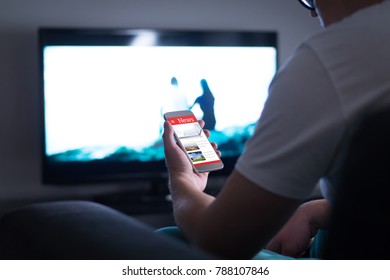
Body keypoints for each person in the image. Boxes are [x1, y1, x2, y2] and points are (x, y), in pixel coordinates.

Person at [162, 0, 390, 259]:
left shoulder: (333, 57)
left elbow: (218, 242)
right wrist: (313, 210)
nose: (314, 11)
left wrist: (182, 179)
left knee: (167, 239)